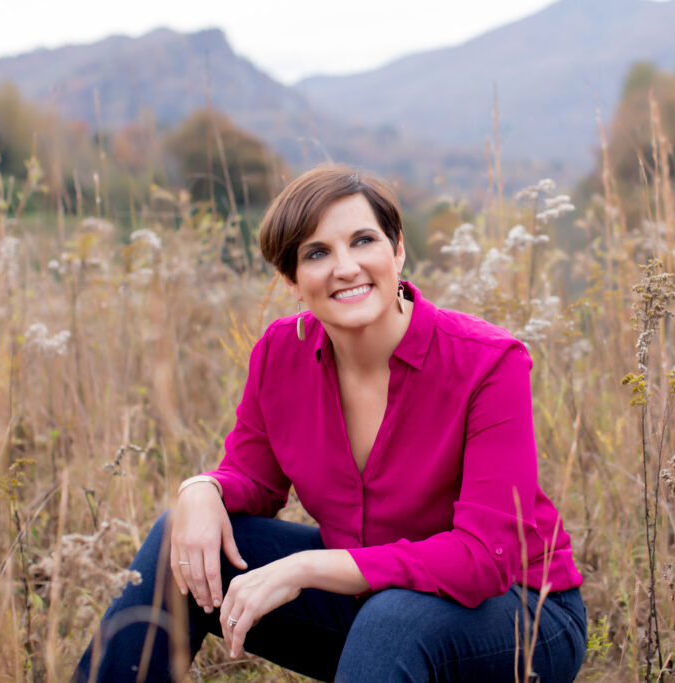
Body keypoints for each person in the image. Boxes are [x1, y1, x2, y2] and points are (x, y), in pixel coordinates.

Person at [75, 165, 587, 682]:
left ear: (398, 250)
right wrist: (201, 489)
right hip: (371, 605)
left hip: (518, 616)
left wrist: (305, 569)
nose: (346, 268)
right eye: (317, 253)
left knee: (395, 619)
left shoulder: (488, 363)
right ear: (292, 282)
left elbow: (483, 556)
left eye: (363, 241)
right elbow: (254, 479)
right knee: (175, 538)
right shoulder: (281, 352)